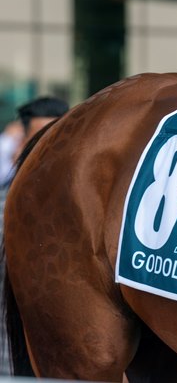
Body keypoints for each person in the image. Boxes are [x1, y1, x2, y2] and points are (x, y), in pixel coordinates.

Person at [0, 96, 69, 375]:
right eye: (38, 139)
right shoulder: (5, 209)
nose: (48, 149)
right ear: (20, 145)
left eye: (57, 138)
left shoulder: (87, 216)